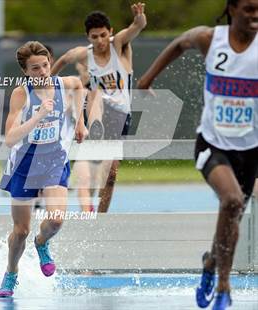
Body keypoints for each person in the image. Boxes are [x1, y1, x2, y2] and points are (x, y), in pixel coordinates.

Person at [138, 0, 258, 308]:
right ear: (232, 9)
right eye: (249, 9)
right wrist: (147, 79)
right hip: (212, 144)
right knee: (231, 200)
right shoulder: (210, 39)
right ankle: (223, 288)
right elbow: (178, 44)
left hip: (250, 150)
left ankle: (209, 264)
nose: (255, 15)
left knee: (232, 216)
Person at [0, 41, 88, 297]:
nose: (43, 71)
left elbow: (81, 86)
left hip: (53, 160)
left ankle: (42, 243)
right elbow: (10, 139)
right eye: (35, 68)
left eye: (45, 65)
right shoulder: (21, 94)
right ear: (26, 71)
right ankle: (11, 273)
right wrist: (37, 117)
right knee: (21, 231)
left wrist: (80, 121)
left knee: (56, 220)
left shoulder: (64, 84)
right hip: (25, 163)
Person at [51, 3, 147, 212]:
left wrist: (139, 17)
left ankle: (101, 216)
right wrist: (46, 82)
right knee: (96, 96)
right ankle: (94, 127)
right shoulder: (84, 54)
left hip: (121, 115)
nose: (100, 41)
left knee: (110, 176)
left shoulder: (119, 45)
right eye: (94, 37)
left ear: (110, 32)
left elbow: (137, 27)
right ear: (88, 37)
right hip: (97, 111)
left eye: (103, 35)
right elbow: (64, 59)